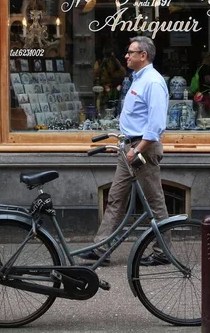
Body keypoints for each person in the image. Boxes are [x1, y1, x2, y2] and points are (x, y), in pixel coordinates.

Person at [79, 36, 170, 266]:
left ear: (144, 56)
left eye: (131, 52)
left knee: (154, 201)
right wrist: (123, 143)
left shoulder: (153, 82)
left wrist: (136, 149)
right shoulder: (136, 79)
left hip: (142, 150)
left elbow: (156, 124)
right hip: (129, 147)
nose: (126, 56)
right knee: (116, 198)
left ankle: (163, 251)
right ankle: (101, 247)